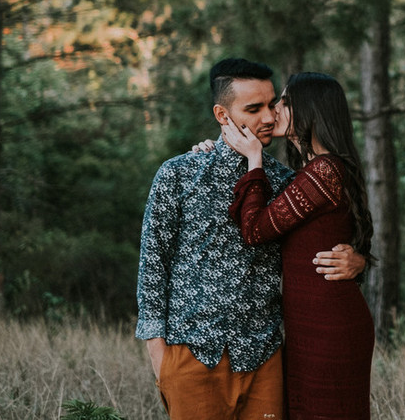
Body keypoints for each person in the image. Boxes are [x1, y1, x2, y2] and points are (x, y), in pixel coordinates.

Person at [135, 58, 366, 420]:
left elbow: (332, 229)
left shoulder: (288, 181)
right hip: (193, 353)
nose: (270, 117)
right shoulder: (179, 174)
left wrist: (358, 259)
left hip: (265, 358)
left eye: (273, 105)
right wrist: (158, 353)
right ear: (222, 115)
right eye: (254, 109)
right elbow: (153, 264)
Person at [225, 72, 376, 420]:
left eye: (284, 101)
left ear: (308, 111)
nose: (274, 110)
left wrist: (254, 160)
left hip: (329, 325)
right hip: (312, 321)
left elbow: (255, 229)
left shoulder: (324, 171)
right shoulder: (315, 171)